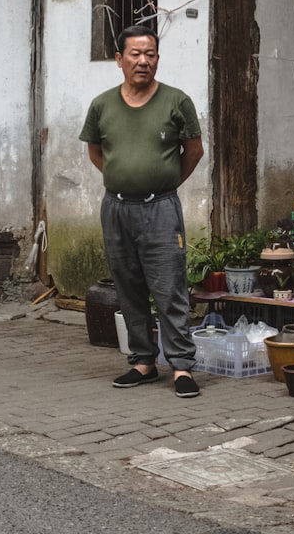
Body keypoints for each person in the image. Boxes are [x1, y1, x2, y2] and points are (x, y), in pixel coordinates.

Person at [79, 24, 205, 398]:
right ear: (119, 59)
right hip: (116, 209)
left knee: (169, 287)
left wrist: (162, 184)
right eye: (135, 54)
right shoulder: (102, 105)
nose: (143, 61)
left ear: (157, 59)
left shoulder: (176, 101)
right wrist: (123, 180)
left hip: (161, 209)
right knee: (128, 285)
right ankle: (143, 362)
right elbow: (95, 152)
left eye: (150, 54)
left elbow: (194, 151)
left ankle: (181, 366)